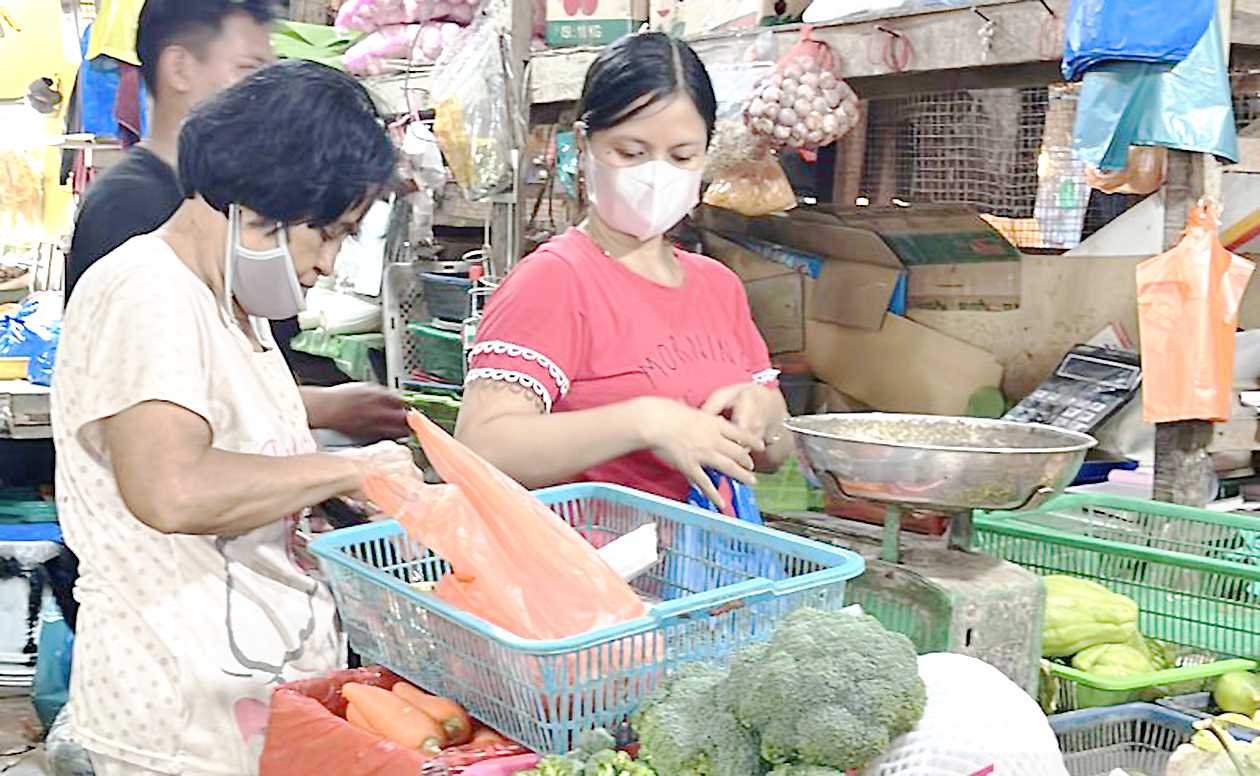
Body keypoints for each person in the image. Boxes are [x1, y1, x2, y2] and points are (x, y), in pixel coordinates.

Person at [52, 60, 409, 775]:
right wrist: (348, 469)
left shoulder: (226, 304)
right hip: (171, 736)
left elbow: (217, 420)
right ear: (261, 207)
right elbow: (170, 488)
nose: (330, 263)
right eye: (330, 233)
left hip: (240, 717)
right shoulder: (149, 291)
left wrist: (333, 428)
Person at [456, 33, 790, 509]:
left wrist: (765, 414)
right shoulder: (556, 280)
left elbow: (778, 453)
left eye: (681, 156)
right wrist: (644, 422)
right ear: (583, 144)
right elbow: (482, 447)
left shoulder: (719, 286)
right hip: (594, 568)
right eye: (630, 153)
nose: (655, 175)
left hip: (709, 569)